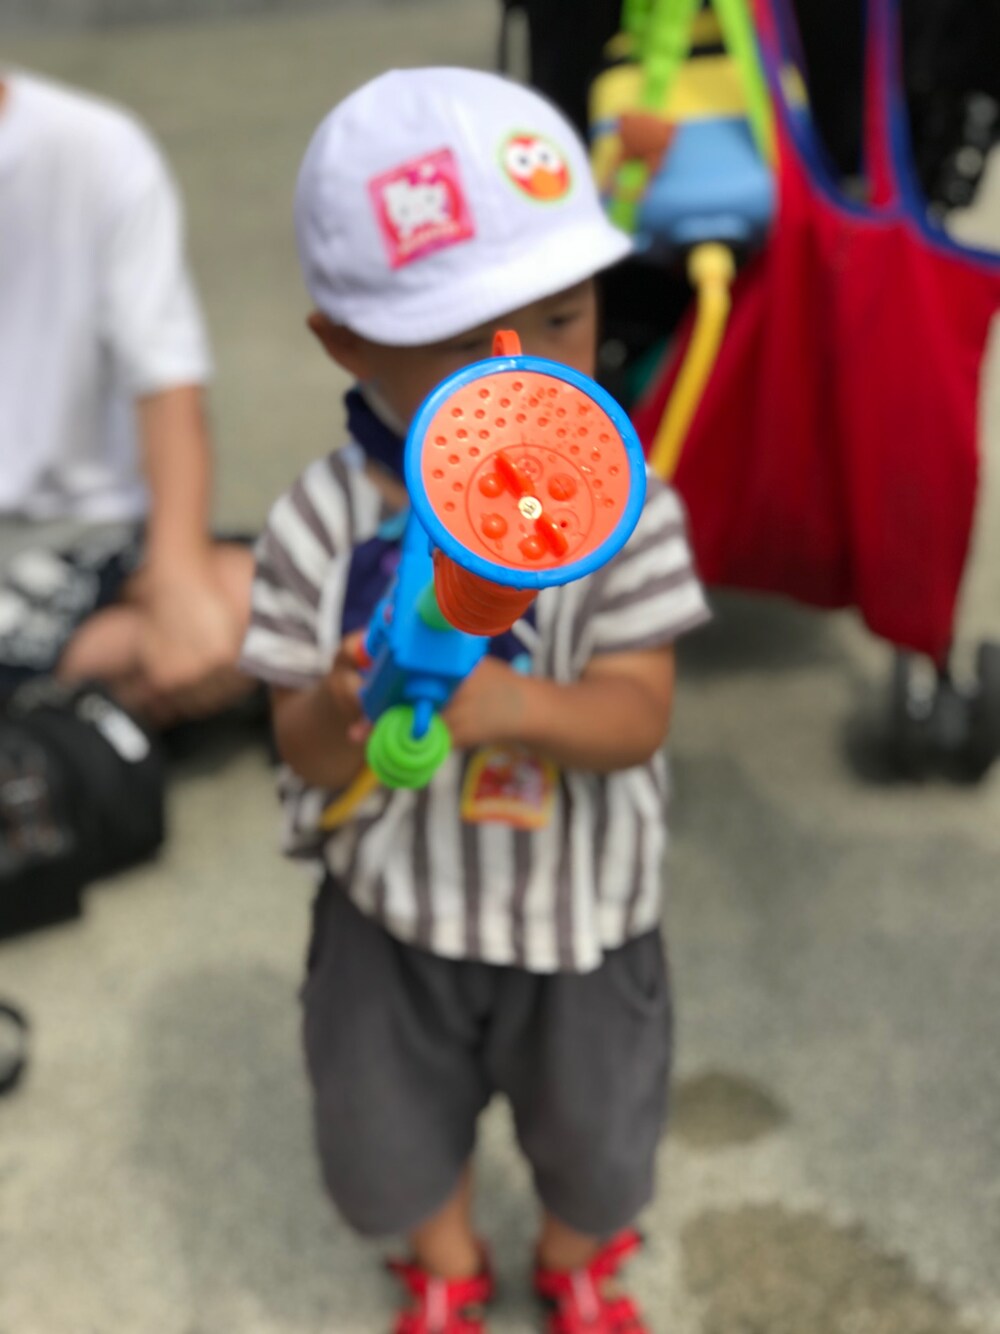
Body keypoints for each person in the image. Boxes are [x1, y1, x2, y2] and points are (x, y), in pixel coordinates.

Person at [240, 67, 711, 1333]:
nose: (527, 373)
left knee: (598, 1139)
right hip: (393, 912)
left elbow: (637, 715)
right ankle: (444, 1256)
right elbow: (299, 747)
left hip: (584, 916)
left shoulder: (626, 510)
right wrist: (346, 697)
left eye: (562, 316)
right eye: (464, 342)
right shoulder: (318, 521)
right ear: (346, 342)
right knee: (386, 1131)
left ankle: (574, 1253)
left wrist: (511, 705)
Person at [0, 69, 252, 726]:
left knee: (264, 599)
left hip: (97, 536)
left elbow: (168, 387)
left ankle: (61, 703)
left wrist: (180, 580)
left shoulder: (97, 147)